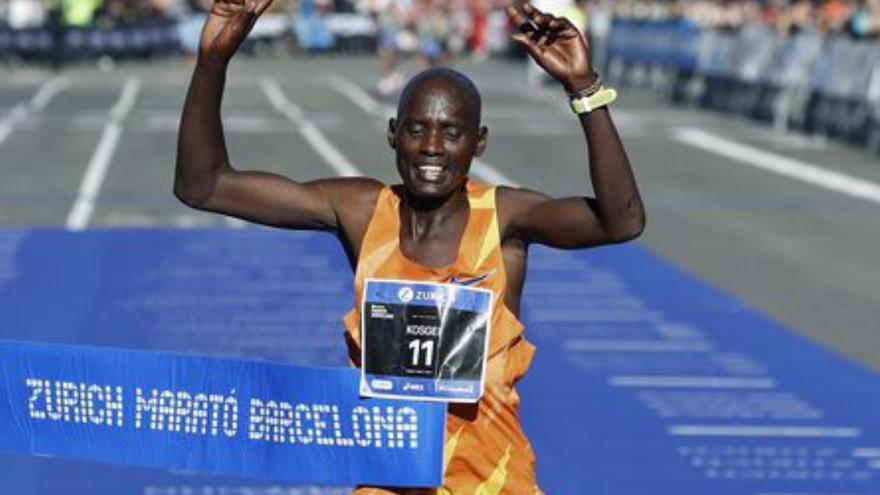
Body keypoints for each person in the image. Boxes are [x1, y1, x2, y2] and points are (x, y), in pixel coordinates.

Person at [175, 0, 645, 493]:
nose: (432, 147)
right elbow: (203, 185)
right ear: (393, 135)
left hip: (491, 482)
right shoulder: (361, 211)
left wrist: (584, 89)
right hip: (387, 482)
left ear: (478, 142)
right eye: (416, 129)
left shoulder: (505, 219)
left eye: (452, 132)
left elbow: (623, 221)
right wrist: (212, 60)